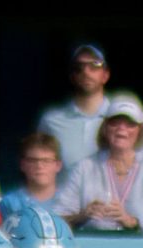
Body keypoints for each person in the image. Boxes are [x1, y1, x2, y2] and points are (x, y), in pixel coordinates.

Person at [55, 92, 143, 236]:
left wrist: (133, 221)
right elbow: (58, 218)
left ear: (140, 130)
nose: (122, 129)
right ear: (105, 128)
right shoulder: (85, 166)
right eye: (115, 122)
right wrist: (83, 215)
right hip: (95, 247)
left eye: (130, 124)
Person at [37, 44, 113, 172]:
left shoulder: (122, 120)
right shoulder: (51, 121)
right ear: (72, 76)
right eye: (79, 67)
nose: (86, 72)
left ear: (105, 75)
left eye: (95, 65)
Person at [0, 133, 64, 221]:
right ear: (22, 165)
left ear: (58, 165)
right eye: (33, 160)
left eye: (46, 161)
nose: (39, 166)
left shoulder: (70, 201)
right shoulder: (9, 204)